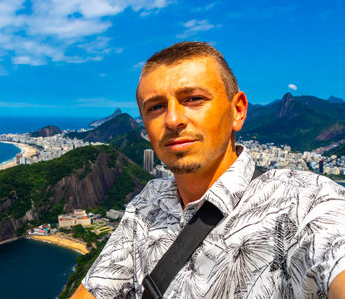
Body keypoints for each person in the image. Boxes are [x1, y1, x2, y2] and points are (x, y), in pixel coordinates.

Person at [72, 42, 345, 298]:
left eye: (193, 99)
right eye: (155, 107)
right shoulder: (146, 204)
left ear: (237, 111)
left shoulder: (305, 201)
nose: (173, 119)